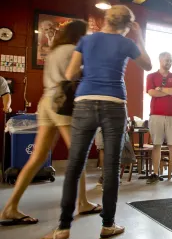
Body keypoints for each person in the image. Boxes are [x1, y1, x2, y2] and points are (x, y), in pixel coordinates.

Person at [40, 5, 152, 239]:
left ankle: (63, 228)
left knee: (75, 165)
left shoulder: (87, 41)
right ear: (126, 26)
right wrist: (139, 36)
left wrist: (89, 69)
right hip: (114, 103)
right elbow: (147, 64)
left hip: (85, 101)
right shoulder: (126, 43)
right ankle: (108, 225)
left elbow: (70, 74)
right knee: (111, 167)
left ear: (105, 19)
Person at [0, 20, 101, 226]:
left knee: (37, 158)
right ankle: (81, 202)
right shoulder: (74, 50)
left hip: (46, 101)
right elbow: (77, 76)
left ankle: (10, 207)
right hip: (62, 102)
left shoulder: (54, 51)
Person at [146, 52, 172, 185]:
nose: (169, 62)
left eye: (171, 60)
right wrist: (168, 90)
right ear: (160, 60)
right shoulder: (151, 76)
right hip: (156, 115)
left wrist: (160, 89)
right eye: (167, 60)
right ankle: (155, 173)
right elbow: (151, 92)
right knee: (157, 145)